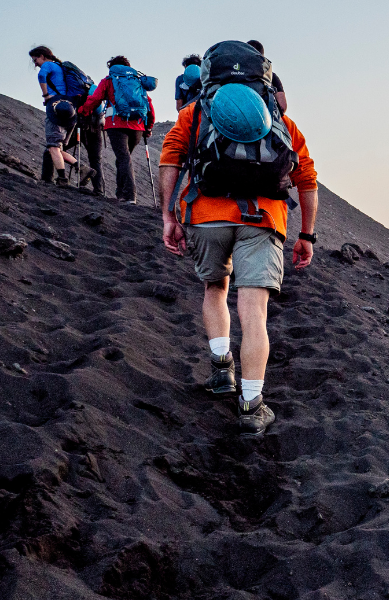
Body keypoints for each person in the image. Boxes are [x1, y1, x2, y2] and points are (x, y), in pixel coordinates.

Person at [158, 40, 318, 437]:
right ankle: (252, 405)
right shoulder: (279, 120)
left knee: (215, 288)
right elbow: (307, 179)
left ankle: (222, 370)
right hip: (264, 220)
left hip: (206, 215)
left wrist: (168, 216)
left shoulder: (196, 112)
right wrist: (307, 235)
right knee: (254, 312)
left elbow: (170, 159)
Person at [79, 56, 156, 203]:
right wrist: (149, 127)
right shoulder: (137, 81)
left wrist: (83, 110)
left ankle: (129, 196)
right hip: (137, 127)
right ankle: (120, 193)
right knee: (124, 159)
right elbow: (149, 105)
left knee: (123, 158)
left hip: (116, 125)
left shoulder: (109, 80)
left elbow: (95, 99)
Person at [29, 46, 96, 187]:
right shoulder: (61, 67)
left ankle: (62, 179)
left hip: (56, 109)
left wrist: (46, 95)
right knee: (56, 148)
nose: (35, 64)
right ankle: (83, 169)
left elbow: (41, 76)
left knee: (53, 146)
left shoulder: (48, 65)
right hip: (71, 110)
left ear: (42, 56)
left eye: (35, 60)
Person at [246, 40, 287, 113]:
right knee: (290, 124)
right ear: (262, 57)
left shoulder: (231, 71)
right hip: (263, 116)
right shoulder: (271, 75)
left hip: (231, 114)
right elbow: (282, 106)